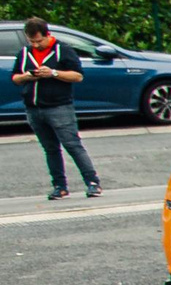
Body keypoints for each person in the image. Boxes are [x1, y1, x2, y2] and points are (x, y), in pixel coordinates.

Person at [11, 17, 102, 200]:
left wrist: (53, 73)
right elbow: (15, 77)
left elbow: (78, 76)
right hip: (34, 108)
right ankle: (59, 186)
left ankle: (92, 182)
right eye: (32, 41)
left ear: (48, 35)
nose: (36, 45)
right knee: (50, 148)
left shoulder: (63, 50)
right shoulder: (25, 53)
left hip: (59, 107)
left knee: (72, 145)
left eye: (39, 41)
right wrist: (27, 76)